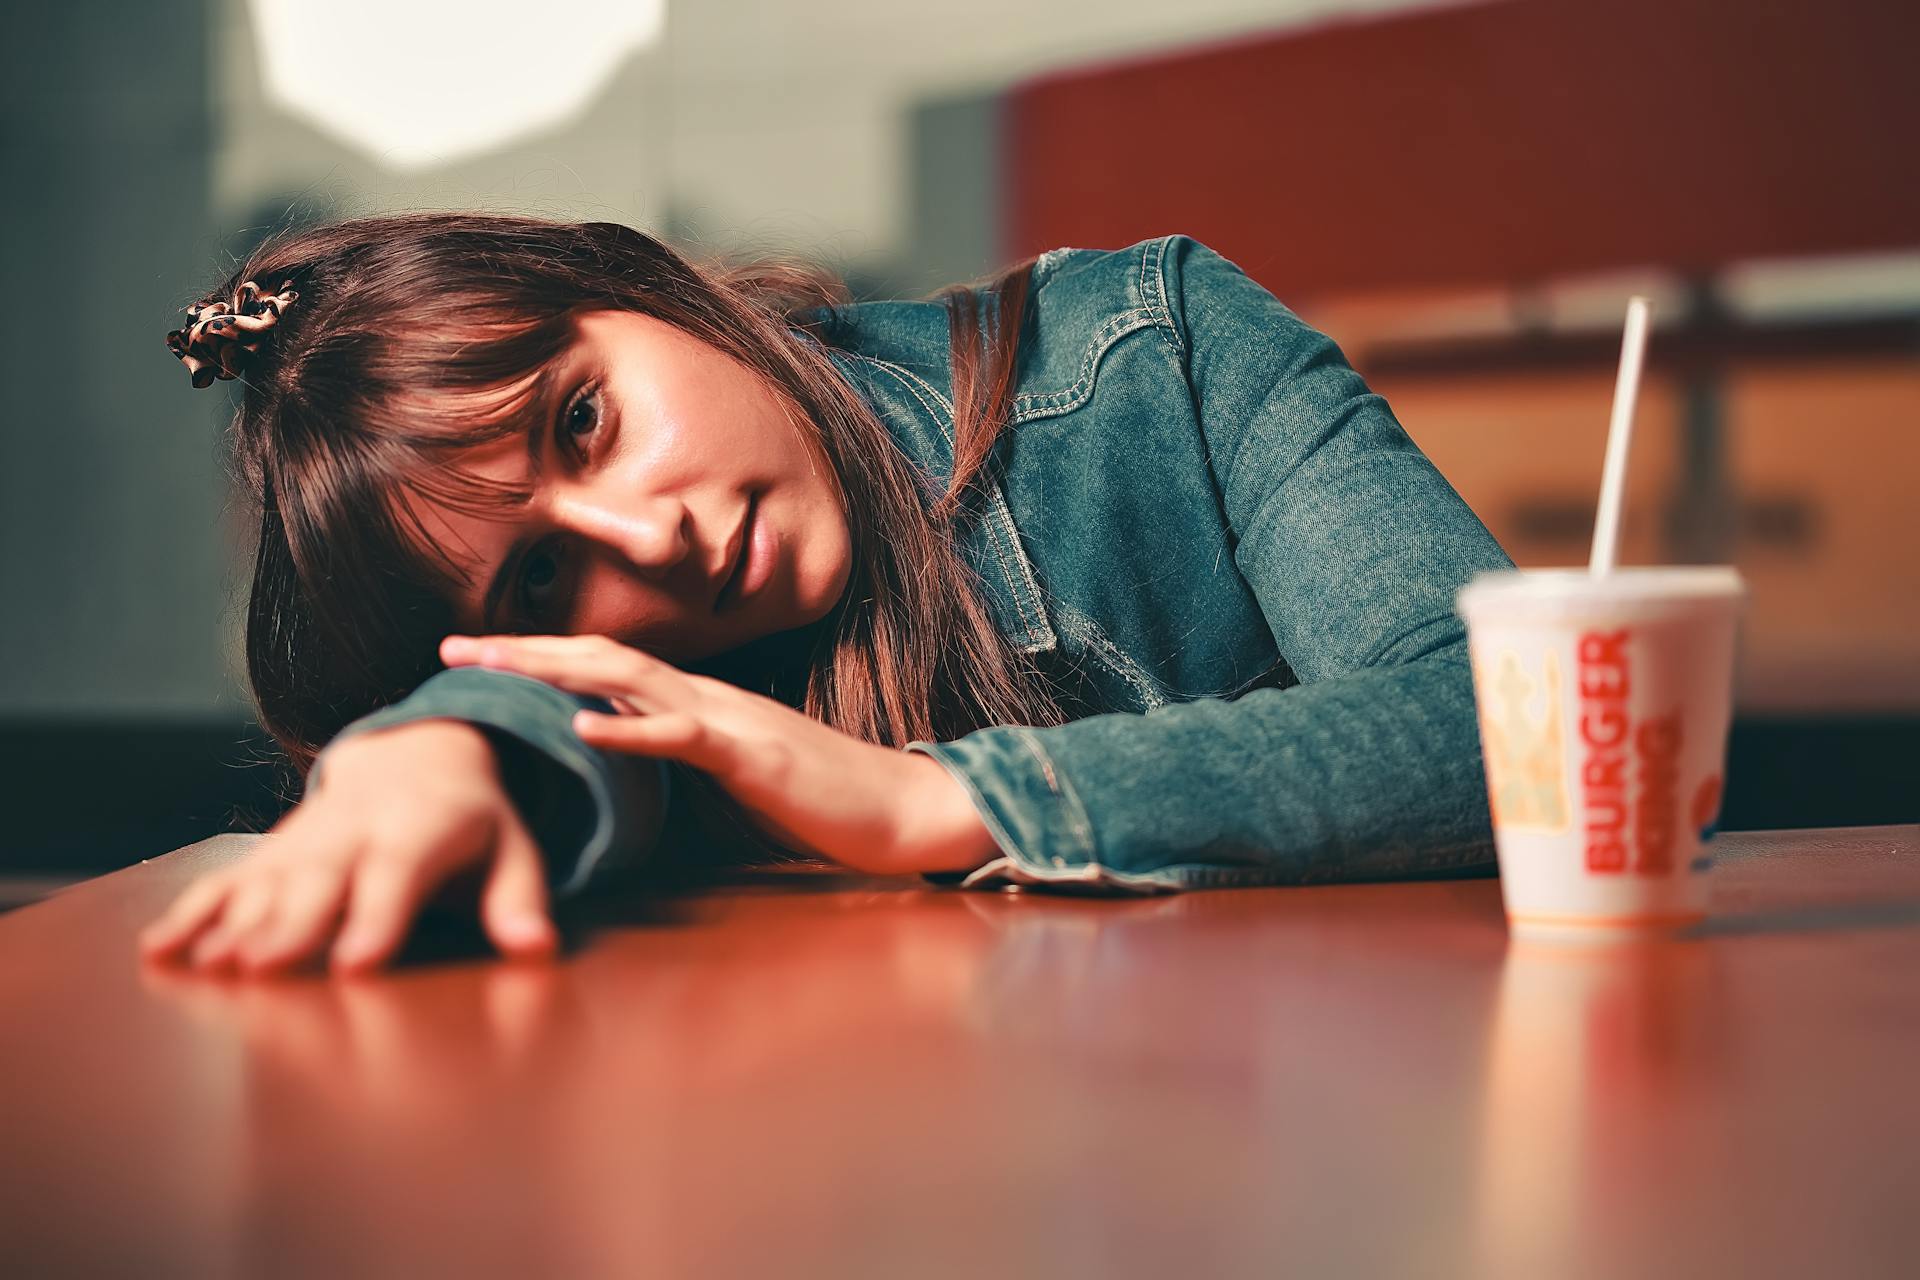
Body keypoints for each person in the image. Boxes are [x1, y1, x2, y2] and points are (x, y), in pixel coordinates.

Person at [138, 213, 1515, 977]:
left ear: (639, 288)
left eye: (584, 423)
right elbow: (565, 720)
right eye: (546, 576)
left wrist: (938, 802)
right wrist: (439, 747)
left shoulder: (1157, 355)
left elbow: (1522, 734)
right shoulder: (657, 672)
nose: (650, 541)